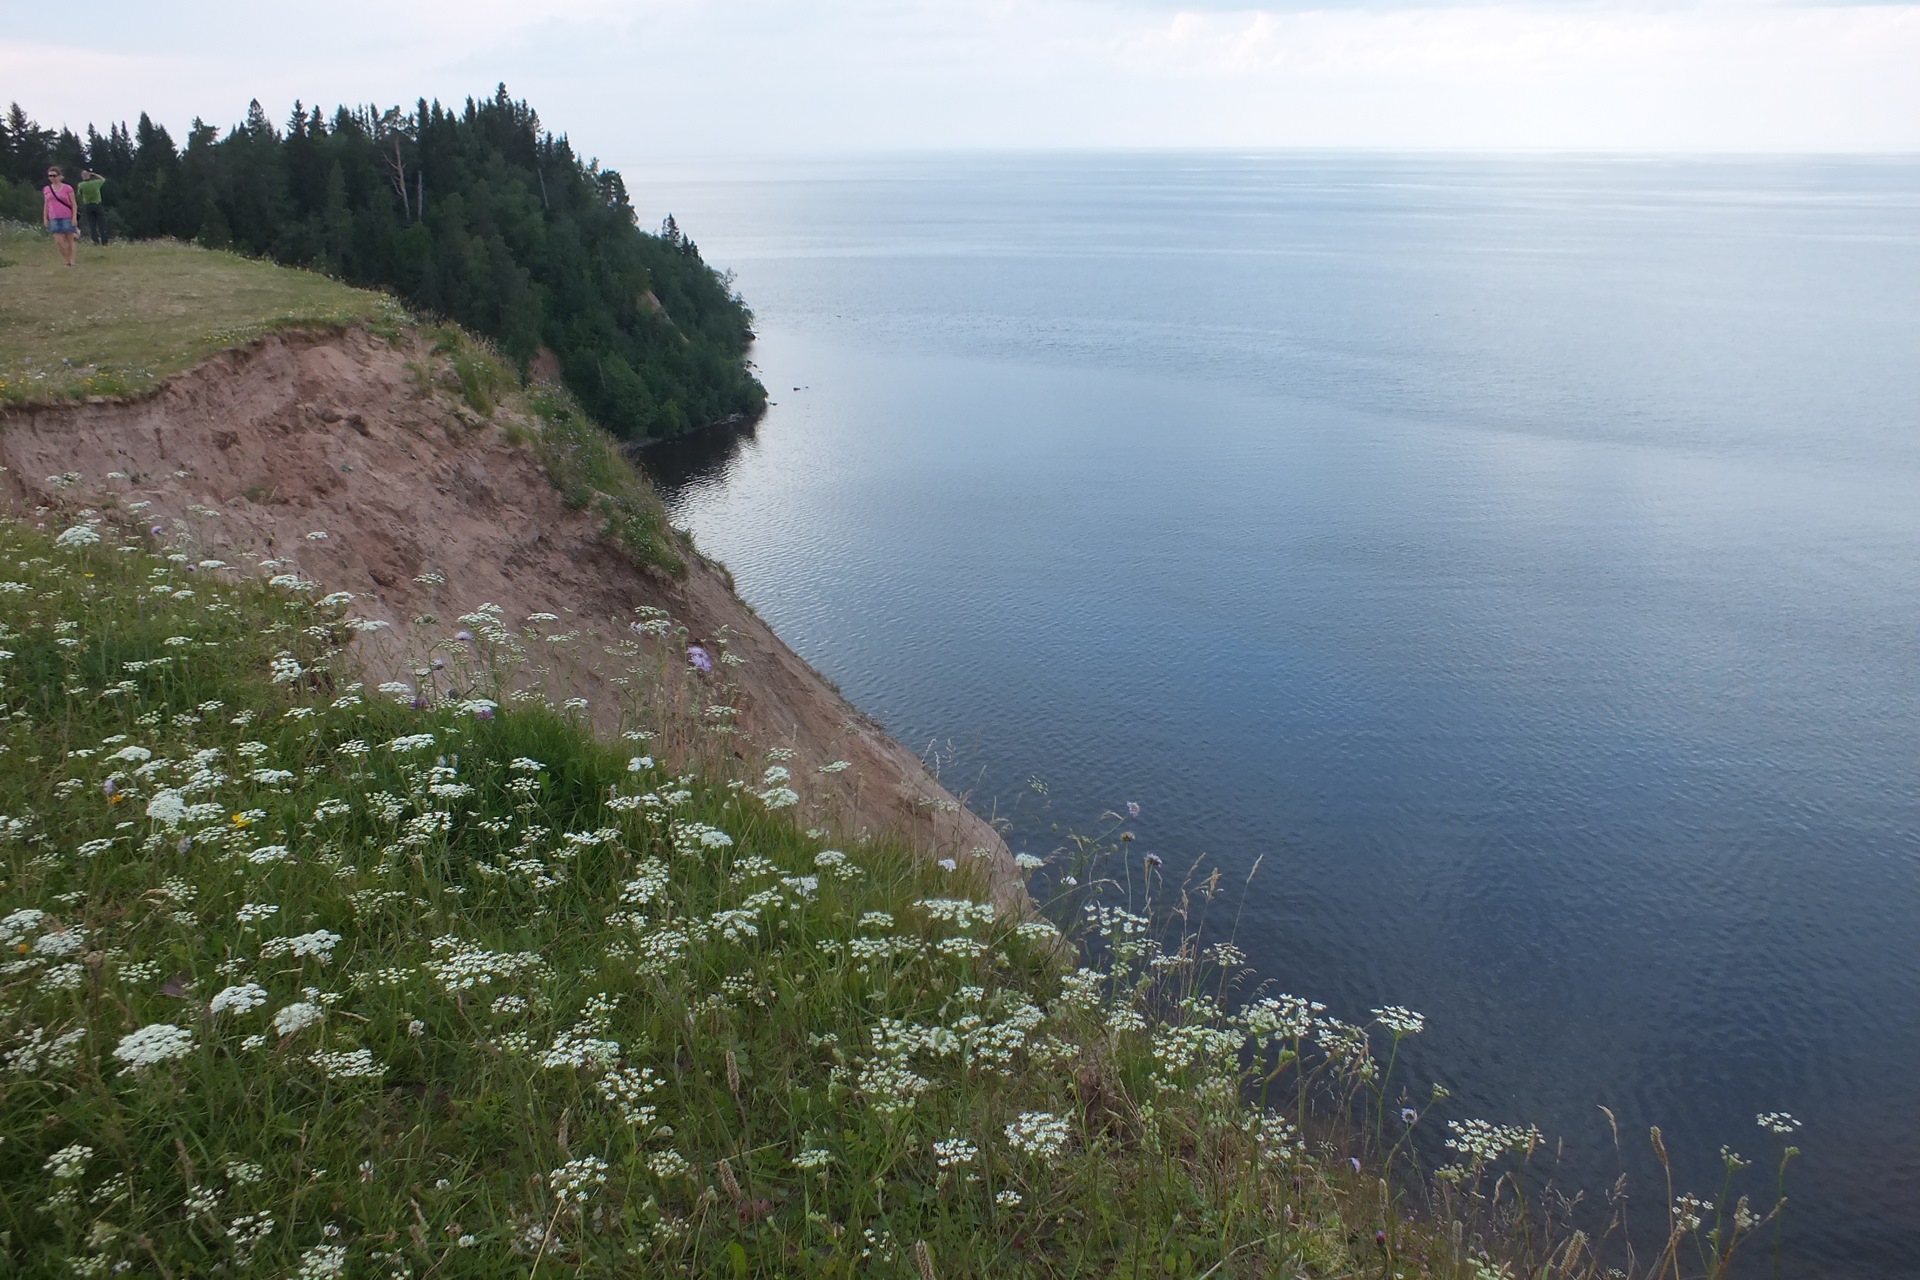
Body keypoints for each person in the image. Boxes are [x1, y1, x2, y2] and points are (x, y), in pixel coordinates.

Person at [42, 166, 79, 267]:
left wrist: (74, 217)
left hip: (67, 216)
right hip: (53, 217)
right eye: (50, 176)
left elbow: (73, 204)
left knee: (70, 239)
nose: (52, 178)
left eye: (54, 175)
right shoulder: (47, 189)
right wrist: (45, 218)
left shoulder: (67, 188)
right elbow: (46, 204)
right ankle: (67, 259)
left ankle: (72, 260)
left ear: (59, 176)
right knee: (59, 241)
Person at [76, 169, 108, 246]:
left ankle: (95, 241)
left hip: (88, 205)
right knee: (102, 224)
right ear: (89, 175)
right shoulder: (95, 183)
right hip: (97, 204)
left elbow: (79, 194)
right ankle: (104, 242)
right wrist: (94, 174)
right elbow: (103, 179)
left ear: (82, 176)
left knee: (92, 225)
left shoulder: (81, 185)